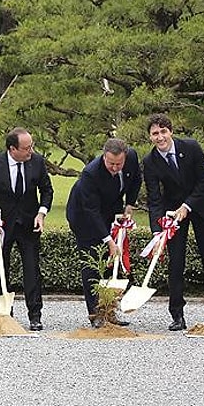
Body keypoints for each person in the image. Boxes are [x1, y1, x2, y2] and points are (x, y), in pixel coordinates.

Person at [142, 114, 204, 331]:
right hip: (173, 213)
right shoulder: (150, 161)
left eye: (163, 131)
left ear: (171, 131)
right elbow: (154, 198)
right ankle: (177, 314)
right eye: (155, 133)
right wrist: (157, 232)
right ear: (150, 137)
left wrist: (187, 206)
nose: (160, 137)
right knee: (176, 262)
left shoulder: (191, 147)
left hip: (202, 205)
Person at [0, 127, 54, 331]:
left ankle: (35, 315)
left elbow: (47, 190)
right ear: (12, 149)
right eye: (26, 148)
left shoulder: (37, 162)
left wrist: (41, 213)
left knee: (32, 269)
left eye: (31, 146)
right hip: (1, 226)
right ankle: (4, 313)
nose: (30, 151)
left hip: (29, 224)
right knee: (0, 269)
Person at [66, 138, 141, 328]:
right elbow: (91, 211)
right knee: (92, 264)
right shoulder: (90, 174)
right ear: (104, 156)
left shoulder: (132, 157)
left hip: (110, 210)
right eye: (111, 164)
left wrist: (129, 205)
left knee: (110, 265)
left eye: (119, 164)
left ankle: (109, 311)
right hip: (84, 216)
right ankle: (96, 314)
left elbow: (136, 180)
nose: (115, 168)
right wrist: (109, 240)